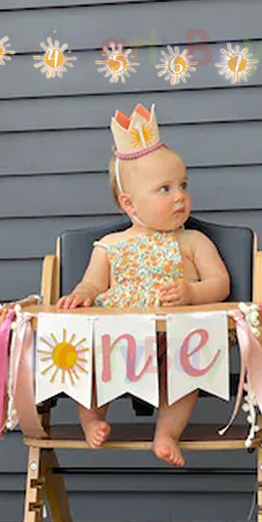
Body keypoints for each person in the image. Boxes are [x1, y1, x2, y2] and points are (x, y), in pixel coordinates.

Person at [56, 105, 230, 466]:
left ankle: (166, 433)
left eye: (183, 185)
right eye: (165, 189)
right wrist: (82, 295)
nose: (179, 195)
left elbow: (220, 283)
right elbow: (91, 283)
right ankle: (91, 419)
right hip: (119, 342)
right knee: (88, 364)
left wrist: (192, 293)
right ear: (129, 203)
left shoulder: (192, 241)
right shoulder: (110, 245)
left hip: (175, 341)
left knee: (187, 372)